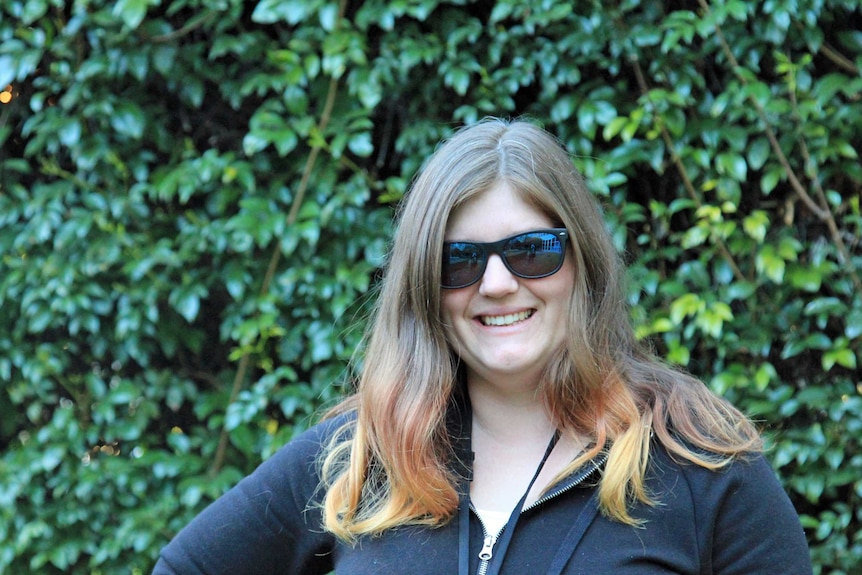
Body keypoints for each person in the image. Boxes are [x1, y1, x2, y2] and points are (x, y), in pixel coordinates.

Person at [153, 117, 812, 574]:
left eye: (531, 251)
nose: (496, 284)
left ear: (581, 260)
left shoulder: (700, 460)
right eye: (459, 261)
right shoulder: (362, 458)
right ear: (425, 286)